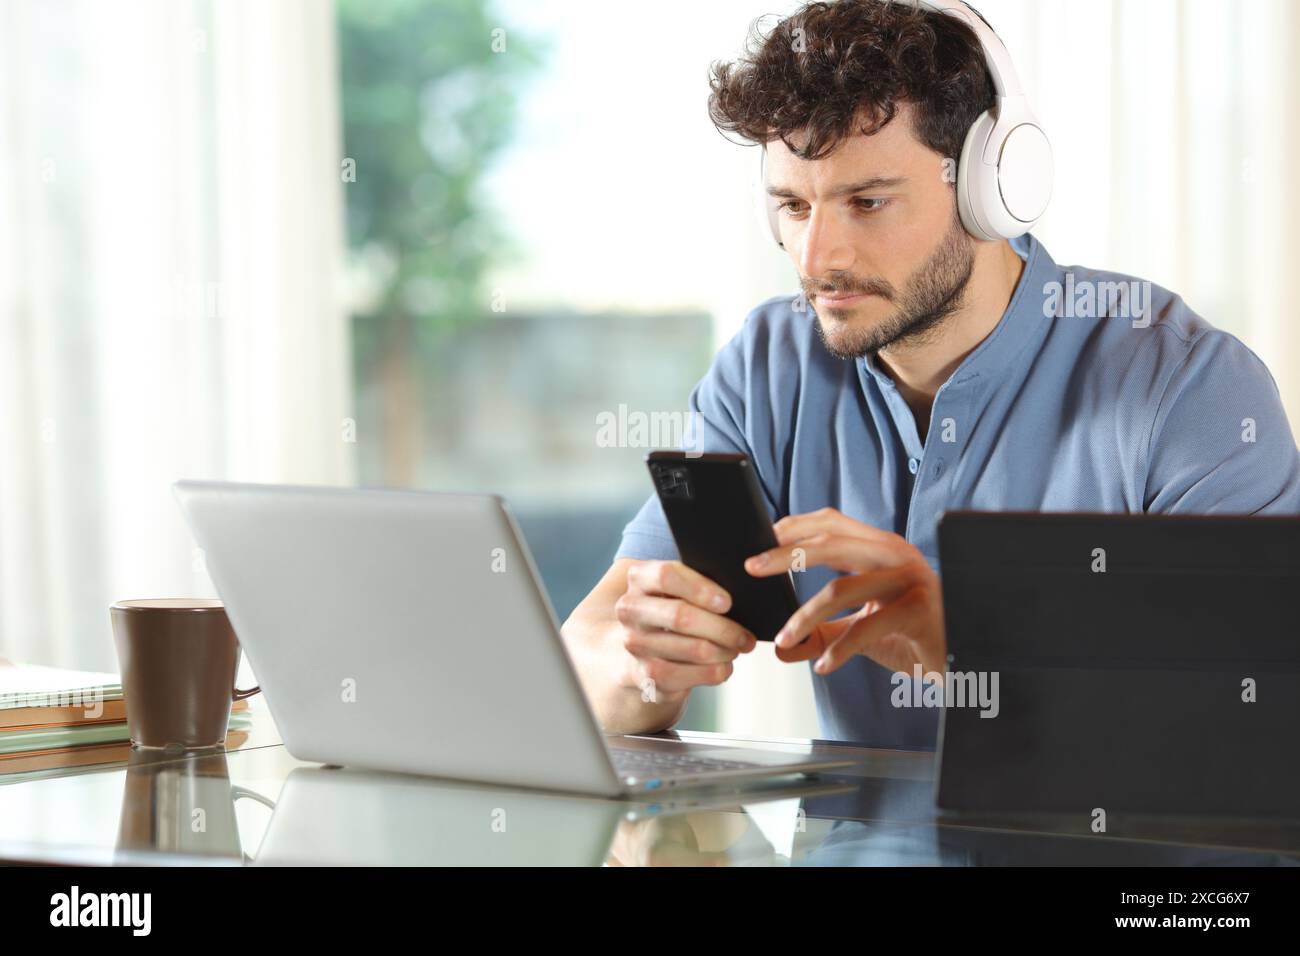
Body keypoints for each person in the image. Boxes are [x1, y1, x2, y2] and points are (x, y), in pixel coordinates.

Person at [560, 0, 1300, 747]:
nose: (818, 261)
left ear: (991, 185)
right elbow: (587, 656)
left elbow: (1252, 720)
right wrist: (637, 668)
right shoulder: (767, 367)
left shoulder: (1189, 388)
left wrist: (968, 641)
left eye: (868, 201)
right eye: (791, 205)